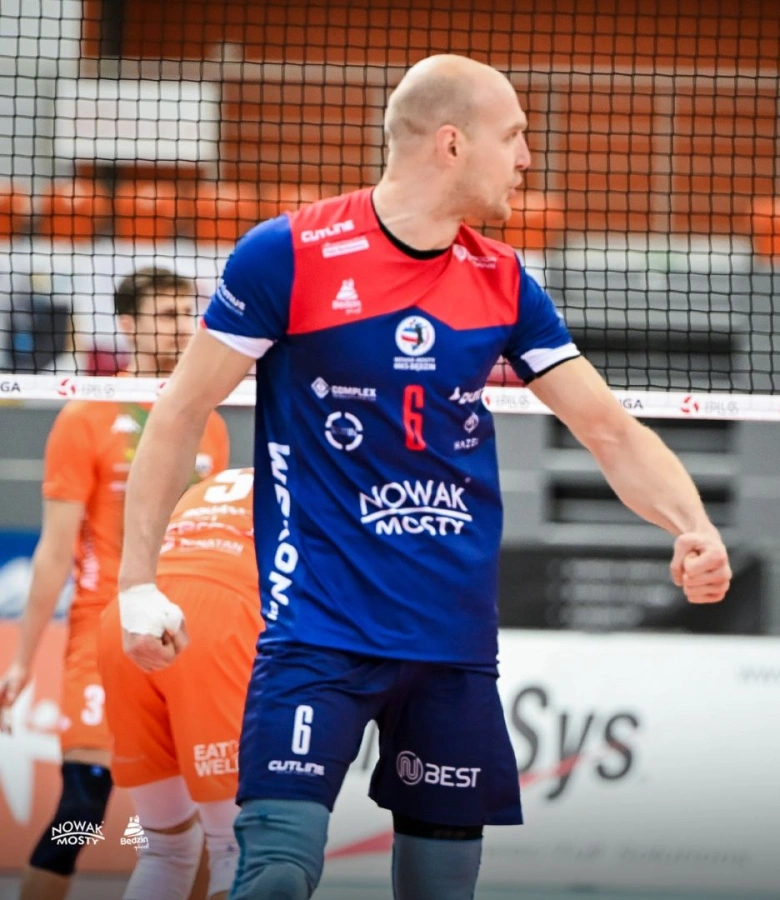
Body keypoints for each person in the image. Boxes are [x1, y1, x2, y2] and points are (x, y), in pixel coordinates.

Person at [114, 54, 732, 900]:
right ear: (452, 143)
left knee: (440, 890)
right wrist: (136, 581)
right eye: (513, 136)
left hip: (451, 645)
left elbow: (609, 429)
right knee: (276, 872)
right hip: (317, 632)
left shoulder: (503, 280)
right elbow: (181, 409)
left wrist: (692, 525)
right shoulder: (289, 255)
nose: (526, 158)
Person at [0, 266, 229, 900]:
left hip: (187, 639)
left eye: (187, 316)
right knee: (81, 809)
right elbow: (54, 549)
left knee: (205, 821)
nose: (181, 328)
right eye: (165, 316)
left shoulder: (209, 419)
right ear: (127, 325)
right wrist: (22, 661)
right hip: (105, 632)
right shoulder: (87, 416)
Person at [98, 467, 261, 900]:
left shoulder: (210, 486)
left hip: (129, 617)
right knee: (233, 847)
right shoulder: (315, 479)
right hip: (215, 615)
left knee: (163, 849)